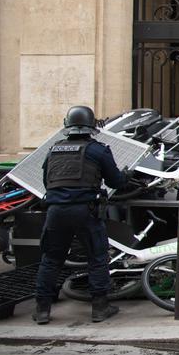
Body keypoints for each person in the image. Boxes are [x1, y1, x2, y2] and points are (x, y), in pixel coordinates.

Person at [33, 105, 129, 324]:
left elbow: (47, 180)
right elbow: (116, 181)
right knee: (96, 258)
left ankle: (42, 310)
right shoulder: (99, 150)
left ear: (67, 125)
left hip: (56, 212)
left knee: (50, 260)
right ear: (92, 126)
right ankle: (100, 309)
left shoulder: (54, 149)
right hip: (86, 211)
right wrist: (126, 175)